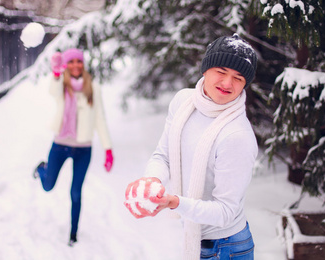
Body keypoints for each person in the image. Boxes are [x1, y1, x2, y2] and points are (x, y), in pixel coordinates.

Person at [124, 34, 258, 260]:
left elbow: (226, 212)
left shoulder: (237, 136)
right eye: (221, 71)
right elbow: (163, 156)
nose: (227, 83)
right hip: (196, 237)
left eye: (238, 78)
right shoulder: (183, 102)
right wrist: (151, 182)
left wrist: (175, 202)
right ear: (205, 69)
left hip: (226, 247)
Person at [34, 48, 114, 247]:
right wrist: (55, 73)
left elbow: (100, 118)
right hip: (60, 145)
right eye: (71, 62)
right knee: (48, 186)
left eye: (79, 61)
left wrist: (108, 149)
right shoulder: (62, 83)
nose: (76, 65)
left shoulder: (93, 87)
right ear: (66, 65)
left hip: (83, 149)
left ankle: (73, 233)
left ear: (83, 64)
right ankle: (41, 169)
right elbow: (52, 91)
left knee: (76, 192)